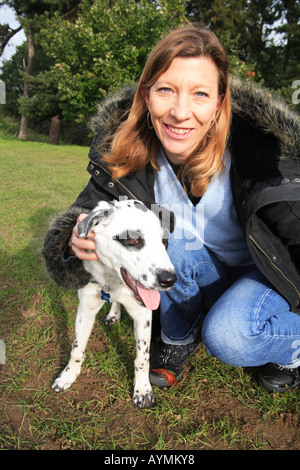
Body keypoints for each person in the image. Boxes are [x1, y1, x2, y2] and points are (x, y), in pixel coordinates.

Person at [43, 25, 300, 393]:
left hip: (261, 271)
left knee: (227, 336)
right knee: (163, 236)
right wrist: (72, 234)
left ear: (218, 102)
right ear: (147, 97)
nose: (180, 112)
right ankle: (178, 339)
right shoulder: (131, 150)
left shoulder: (265, 155)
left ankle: (291, 348)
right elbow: (92, 204)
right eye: (166, 90)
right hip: (201, 264)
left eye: (199, 94)